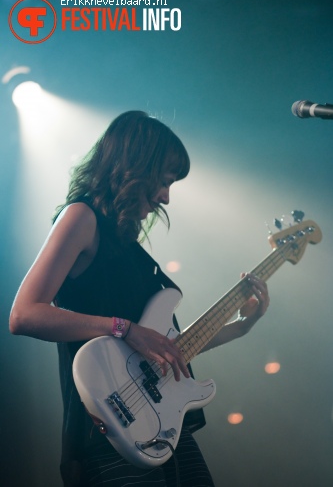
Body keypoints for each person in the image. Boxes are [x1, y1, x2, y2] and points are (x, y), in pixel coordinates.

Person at [9, 111, 269, 487]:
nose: (166, 196)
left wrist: (245, 325)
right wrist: (123, 328)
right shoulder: (81, 218)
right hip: (111, 428)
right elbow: (23, 315)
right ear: (136, 167)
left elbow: (167, 347)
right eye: (164, 181)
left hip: (161, 424)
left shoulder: (126, 244)